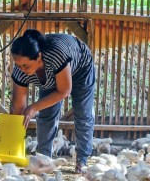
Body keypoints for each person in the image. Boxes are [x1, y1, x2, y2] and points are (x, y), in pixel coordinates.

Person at [10, 29, 96, 172]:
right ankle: (44, 158)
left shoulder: (55, 56)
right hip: (50, 75)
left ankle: (82, 159)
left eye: (26, 66)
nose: (22, 69)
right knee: (46, 114)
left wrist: (33, 108)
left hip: (81, 67)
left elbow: (64, 91)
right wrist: (13, 140)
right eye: (18, 65)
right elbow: (18, 107)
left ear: (38, 57)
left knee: (82, 113)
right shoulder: (20, 71)